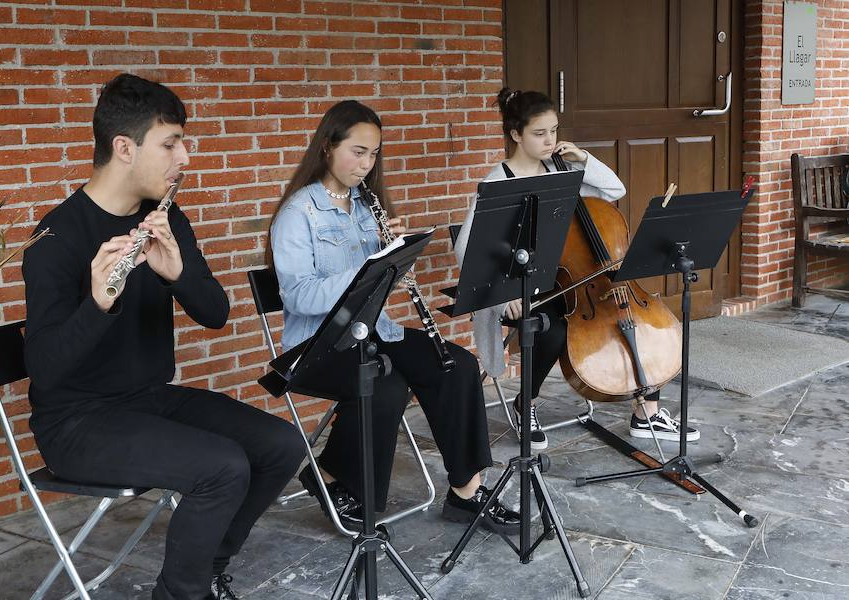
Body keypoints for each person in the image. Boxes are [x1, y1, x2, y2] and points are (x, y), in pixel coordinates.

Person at [22, 73, 305, 600]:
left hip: (148, 400)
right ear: (124, 148)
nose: (185, 157)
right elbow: (44, 368)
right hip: (75, 422)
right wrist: (98, 303)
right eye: (171, 143)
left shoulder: (166, 220)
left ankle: (203, 568)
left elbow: (216, 314)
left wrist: (178, 274)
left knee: (281, 445)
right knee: (222, 468)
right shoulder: (56, 238)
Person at [268, 99, 520, 534]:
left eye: (373, 154)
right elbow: (300, 296)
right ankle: (337, 479)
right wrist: (369, 271)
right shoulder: (298, 213)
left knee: (457, 366)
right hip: (317, 346)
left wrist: (394, 263)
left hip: (371, 332)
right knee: (385, 383)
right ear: (328, 146)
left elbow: (375, 287)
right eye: (357, 152)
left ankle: (466, 491)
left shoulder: (367, 206)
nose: (367, 164)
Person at [455, 87, 699, 451]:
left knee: (635, 316)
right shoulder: (497, 183)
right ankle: (526, 404)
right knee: (551, 330)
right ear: (516, 134)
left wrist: (584, 158)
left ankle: (646, 413)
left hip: (574, 279)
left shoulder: (563, 169)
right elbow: (468, 249)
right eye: (539, 133)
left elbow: (614, 190)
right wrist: (503, 295)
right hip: (525, 287)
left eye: (554, 130)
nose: (549, 140)